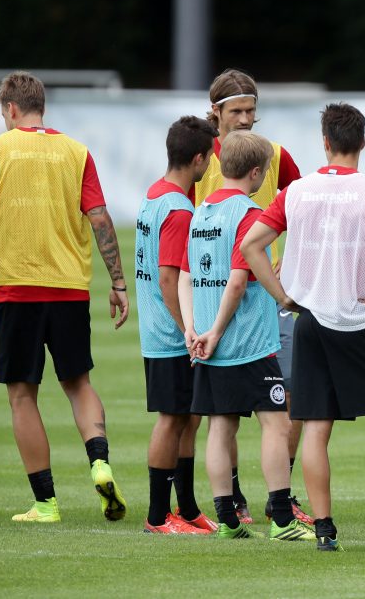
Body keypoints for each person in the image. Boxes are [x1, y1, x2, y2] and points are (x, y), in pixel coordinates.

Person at [241, 103, 365, 552]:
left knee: (316, 429)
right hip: (362, 323)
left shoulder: (295, 192)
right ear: (363, 142)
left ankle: (324, 531)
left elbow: (251, 245)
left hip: (312, 322)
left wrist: (283, 297)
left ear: (325, 142)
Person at [0, 71, 128, 523]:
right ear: (42, 107)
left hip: (13, 289)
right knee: (79, 384)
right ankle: (99, 462)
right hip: (69, 290)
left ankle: (46, 503)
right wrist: (118, 283)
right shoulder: (76, 152)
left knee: (23, 396)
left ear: (11, 108)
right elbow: (100, 219)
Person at [178, 130, 313, 542]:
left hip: (207, 343)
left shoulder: (201, 212)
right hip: (248, 343)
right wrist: (219, 330)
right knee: (276, 423)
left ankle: (227, 520)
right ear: (256, 173)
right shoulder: (251, 215)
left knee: (220, 426)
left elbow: (185, 276)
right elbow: (238, 282)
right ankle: (283, 520)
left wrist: (192, 329)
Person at [136, 116, 220, 534]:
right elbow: (169, 279)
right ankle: (157, 516)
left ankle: (186, 508)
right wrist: (187, 330)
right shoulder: (179, 209)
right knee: (172, 419)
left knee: (187, 418)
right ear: (199, 159)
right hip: (170, 336)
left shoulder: (154, 194)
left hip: (157, 329)